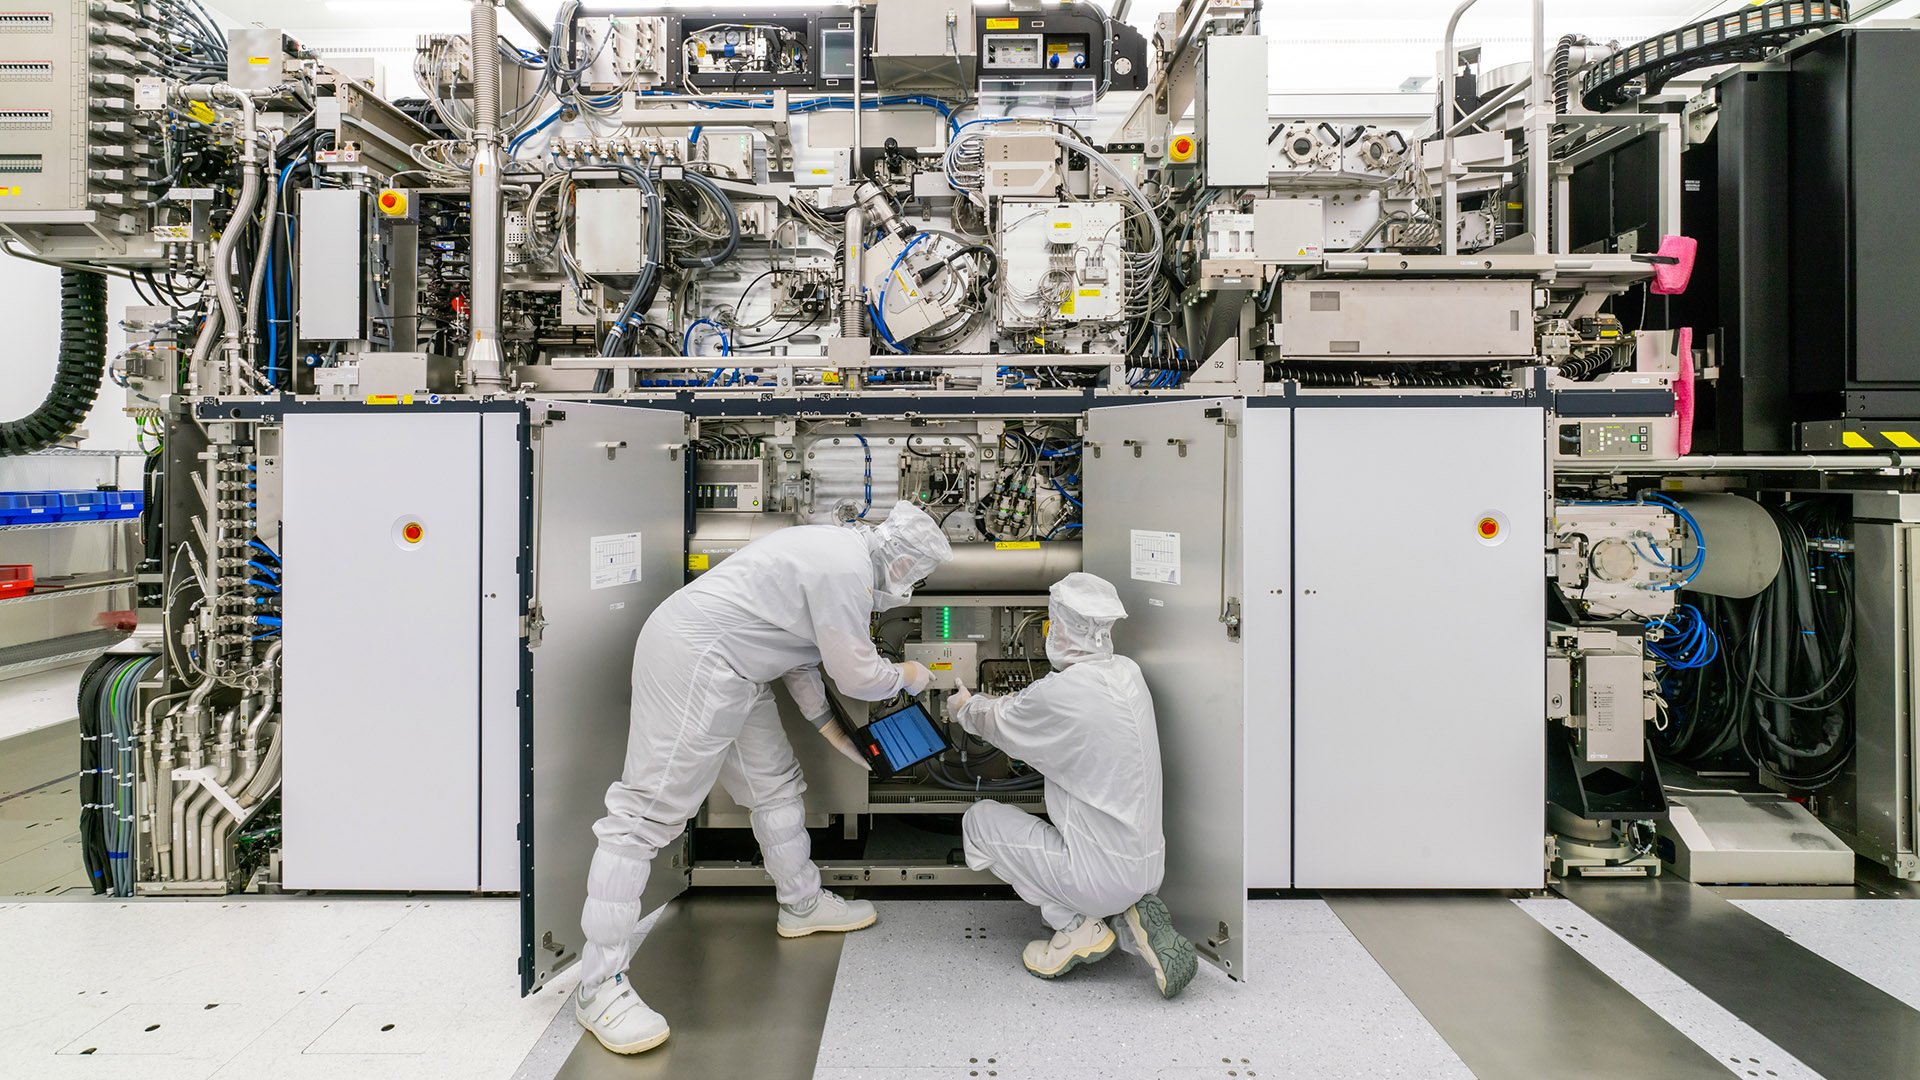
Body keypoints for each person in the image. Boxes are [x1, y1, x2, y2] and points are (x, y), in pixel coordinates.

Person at [574, 501, 954, 1054]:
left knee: (775, 784)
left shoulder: (838, 552)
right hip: (698, 659)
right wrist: (913, 675)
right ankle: (598, 988)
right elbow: (857, 674)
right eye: (918, 576)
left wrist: (838, 735)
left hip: (739, 666)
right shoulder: (843, 567)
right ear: (903, 561)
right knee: (643, 817)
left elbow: (798, 658)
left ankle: (801, 903)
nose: (913, 587)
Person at [945, 572, 1198, 998]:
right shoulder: (1128, 673)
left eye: (1051, 622)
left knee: (979, 822)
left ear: (1062, 626)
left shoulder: (1065, 692)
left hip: (1097, 876)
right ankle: (1129, 915)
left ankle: (1079, 926)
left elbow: (999, 720)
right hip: (1149, 866)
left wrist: (964, 707)